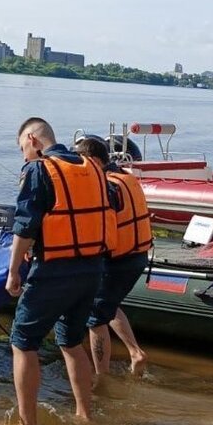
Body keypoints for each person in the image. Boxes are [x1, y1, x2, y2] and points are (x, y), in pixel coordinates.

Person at [6, 117, 109, 425]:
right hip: (92, 269)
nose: (24, 156)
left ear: (34, 140)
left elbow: (24, 226)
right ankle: (85, 415)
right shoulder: (92, 167)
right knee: (70, 342)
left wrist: (13, 272)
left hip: (54, 271)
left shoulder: (38, 170)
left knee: (23, 342)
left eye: (23, 148)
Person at [74, 137, 152, 377]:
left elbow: (97, 225)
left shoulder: (106, 186)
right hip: (138, 255)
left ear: (95, 161)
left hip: (118, 261)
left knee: (94, 318)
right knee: (109, 305)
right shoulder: (125, 177)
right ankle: (134, 352)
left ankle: (101, 377)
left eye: (81, 162)